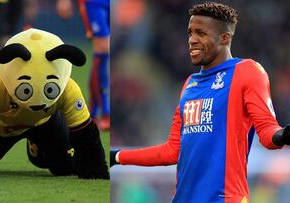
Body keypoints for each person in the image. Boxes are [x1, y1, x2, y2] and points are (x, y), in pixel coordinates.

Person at [110, 2, 290, 202]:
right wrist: (117, 156)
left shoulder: (246, 71)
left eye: (201, 33)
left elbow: (267, 133)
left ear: (224, 38)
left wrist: (284, 135)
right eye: (190, 33)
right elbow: (171, 152)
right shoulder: (190, 84)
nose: (192, 40)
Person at [0, 28, 109, 179]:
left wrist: (96, 170)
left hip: (44, 123)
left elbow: (85, 131)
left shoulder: (69, 88)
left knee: (66, 168)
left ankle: (37, 147)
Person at [56, 0, 110, 130]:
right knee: (103, 50)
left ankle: (94, 113)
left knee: (105, 53)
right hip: (93, 3)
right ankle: (105, 113)